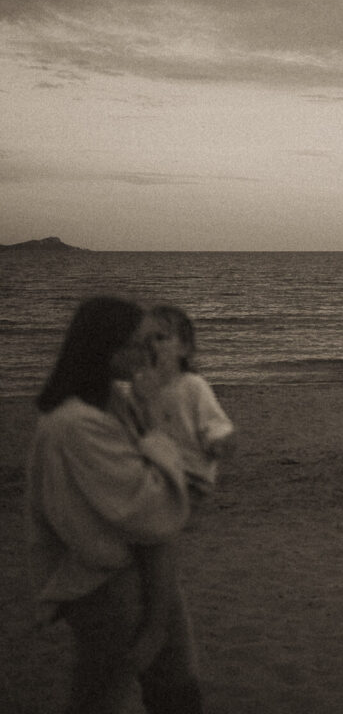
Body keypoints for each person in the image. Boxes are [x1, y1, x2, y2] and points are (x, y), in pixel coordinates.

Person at [25, 296, 204, 714]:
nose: (151, 353)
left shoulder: (118, 402)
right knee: (104, 695)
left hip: (139, 572)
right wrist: (161, 433)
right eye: (140, 343)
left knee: (178, 689)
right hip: (102, 583)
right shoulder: (74, 425)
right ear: (106, 350)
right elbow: (152, 507)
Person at [128, 304, 235, 673]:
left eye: (161, 338)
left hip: (189, 480)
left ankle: (153, 629)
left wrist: (219, 441)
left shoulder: (193, 386)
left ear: (186, 348)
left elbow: (217, 425)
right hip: (159, 476)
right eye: (144, 341)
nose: (152, 347)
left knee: (154, 546)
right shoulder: (140, 386)